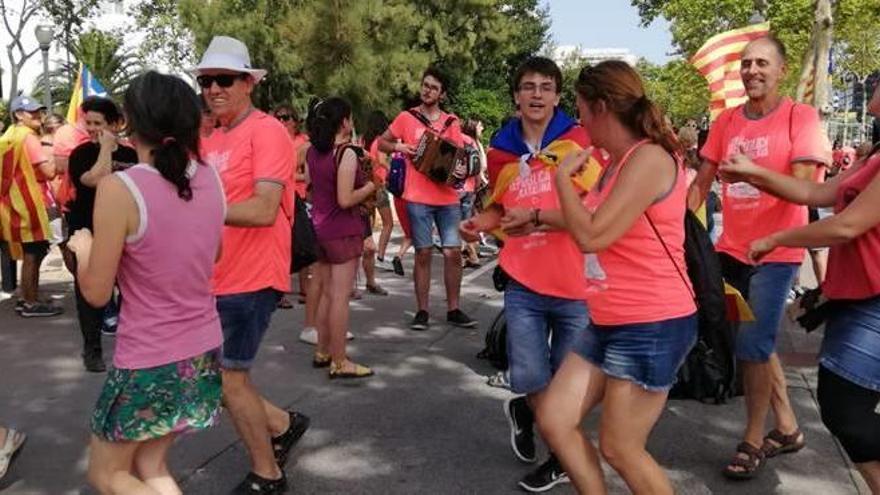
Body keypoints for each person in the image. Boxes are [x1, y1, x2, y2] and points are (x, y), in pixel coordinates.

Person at [535, 60, 697, 495]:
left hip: (652, 322)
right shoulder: (615, 162)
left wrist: (562, 182)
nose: (577, 118)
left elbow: (591, 235)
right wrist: (533, 215)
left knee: (621, 448)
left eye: (580, 108)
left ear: (601, 106)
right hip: (610, 319)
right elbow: (591, 221)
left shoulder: (649, 158)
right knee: (554, 417)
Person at [67, 71, 225, 495]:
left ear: (130, 122)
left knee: (106, 474)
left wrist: (84, 250)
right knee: (150, 462)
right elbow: (215, 256)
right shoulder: (210, 179)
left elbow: (97, 294)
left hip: (149, 362)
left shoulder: (121, 189)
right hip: (202, 350)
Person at [719, 92, 880, 492]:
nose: (874, 83)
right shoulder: (875, 153)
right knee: (843, 409)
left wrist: (776, 237)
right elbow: (817, 195)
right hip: (853, 297)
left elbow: (846, 226)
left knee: (847, 412)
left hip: (874, 301)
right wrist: (752, 172)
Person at [688, 35, 831, 479]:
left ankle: (752, 438)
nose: (752, 70)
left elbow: (803, 187)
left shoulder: (799, 117)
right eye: (746, 63)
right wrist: (679, 226)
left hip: (779, 249)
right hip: (732, 250)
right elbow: (701, 181)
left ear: (781, 70)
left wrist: (753, 172)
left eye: (762, 63)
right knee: (756, 343)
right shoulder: (728, 120)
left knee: (752, 344)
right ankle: (787, 427)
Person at [461, 56, 601, 493]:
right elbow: (501, 209)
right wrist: (478, 224)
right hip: (523, 278)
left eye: (545, 87)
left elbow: (593, 208)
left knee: (567, 385)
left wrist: (538, 217)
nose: (536, 94)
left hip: (575, 281)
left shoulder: (580, 143)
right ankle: (556, 442)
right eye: (528, 86)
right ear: (517, 96)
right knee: (528, 376)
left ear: (558, 96)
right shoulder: (502, 149)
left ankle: (557, 453)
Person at [197, 36, 309, 494]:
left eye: (224, 79)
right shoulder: (214, 137)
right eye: (206, 81)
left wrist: (195, 209)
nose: (213, 89)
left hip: (252, 276)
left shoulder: (267, 132)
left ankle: (267, 474)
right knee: (217, 379)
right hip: (216, 275)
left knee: (228, 379)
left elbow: (265, 209)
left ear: (248, 83)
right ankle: (283, 424)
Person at [378, 67, 477, 330]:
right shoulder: (406, 118)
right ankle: (422, 311)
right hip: (417, 197)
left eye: (433, 87)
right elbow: (382, 142)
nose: (427, 90)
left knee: (453, 252)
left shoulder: (451, 122)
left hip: (447, 198)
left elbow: (458, 158)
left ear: (442, 94)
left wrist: (457, 167)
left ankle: (453, 308)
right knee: (422, 253)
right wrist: (401, 147)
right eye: (425, 85)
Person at [64, 96, 138, 372]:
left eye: (99, 123)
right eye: (89, 123)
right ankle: (92, 350)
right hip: (88, 232)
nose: (92, 128)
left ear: (116, 124)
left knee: (130, 290)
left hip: (124, 233)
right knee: (89, 294)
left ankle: (134, 347)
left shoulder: (132, 155)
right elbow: (96, 179)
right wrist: (106, 148)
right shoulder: (80, 154)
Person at [306, 97, 376, 378]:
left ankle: (322, 350)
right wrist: (370, 185)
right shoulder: (346, 153)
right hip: (343, 231)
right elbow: (345, 198)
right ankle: (339, 360)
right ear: (345, 122)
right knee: (340, 297)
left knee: (325, 293)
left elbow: (312, 190)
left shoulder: (312, 152)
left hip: (319, 228)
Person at [0, 95, 61, 317]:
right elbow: (49, 172)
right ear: (18, 115)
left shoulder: (9, 136)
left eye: (38, 111)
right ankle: (30, 302)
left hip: (14, 203)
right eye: (31, 112)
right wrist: (57, 152)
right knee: (33, 254)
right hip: (33, 202)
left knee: (31, 252)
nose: (38, 115)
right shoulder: (29, 138)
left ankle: (27, 296)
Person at [274, 105, 309, 309]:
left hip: (299, 196)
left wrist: (288, 174)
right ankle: (280, 292)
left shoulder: (302, 143)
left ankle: (305, 289)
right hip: (278, 197)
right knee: (282, 247)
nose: (282, 121)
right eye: (278, 117)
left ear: (295, 121)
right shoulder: (272, 140)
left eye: (286, 118)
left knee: (303, 245)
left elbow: (308, 174)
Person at [365, 111, 396, 274]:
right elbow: (383, 161)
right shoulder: (380, 142)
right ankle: (381, 257)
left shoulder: (368, 141)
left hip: (370, 185)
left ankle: (368, 256)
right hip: (380, 185)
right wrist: (394, 172)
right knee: (388, 223)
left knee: (369, 224)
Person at [460, 119, 487, 269]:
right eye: (479, 125)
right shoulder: (472, 142)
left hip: (457, 189)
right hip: (470, 187)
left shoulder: (456, 139)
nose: (482, 128)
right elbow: (479, 166)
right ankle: (471, 255)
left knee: (459, 225)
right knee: (467, 224)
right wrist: (478, 184)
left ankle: (468, 255)